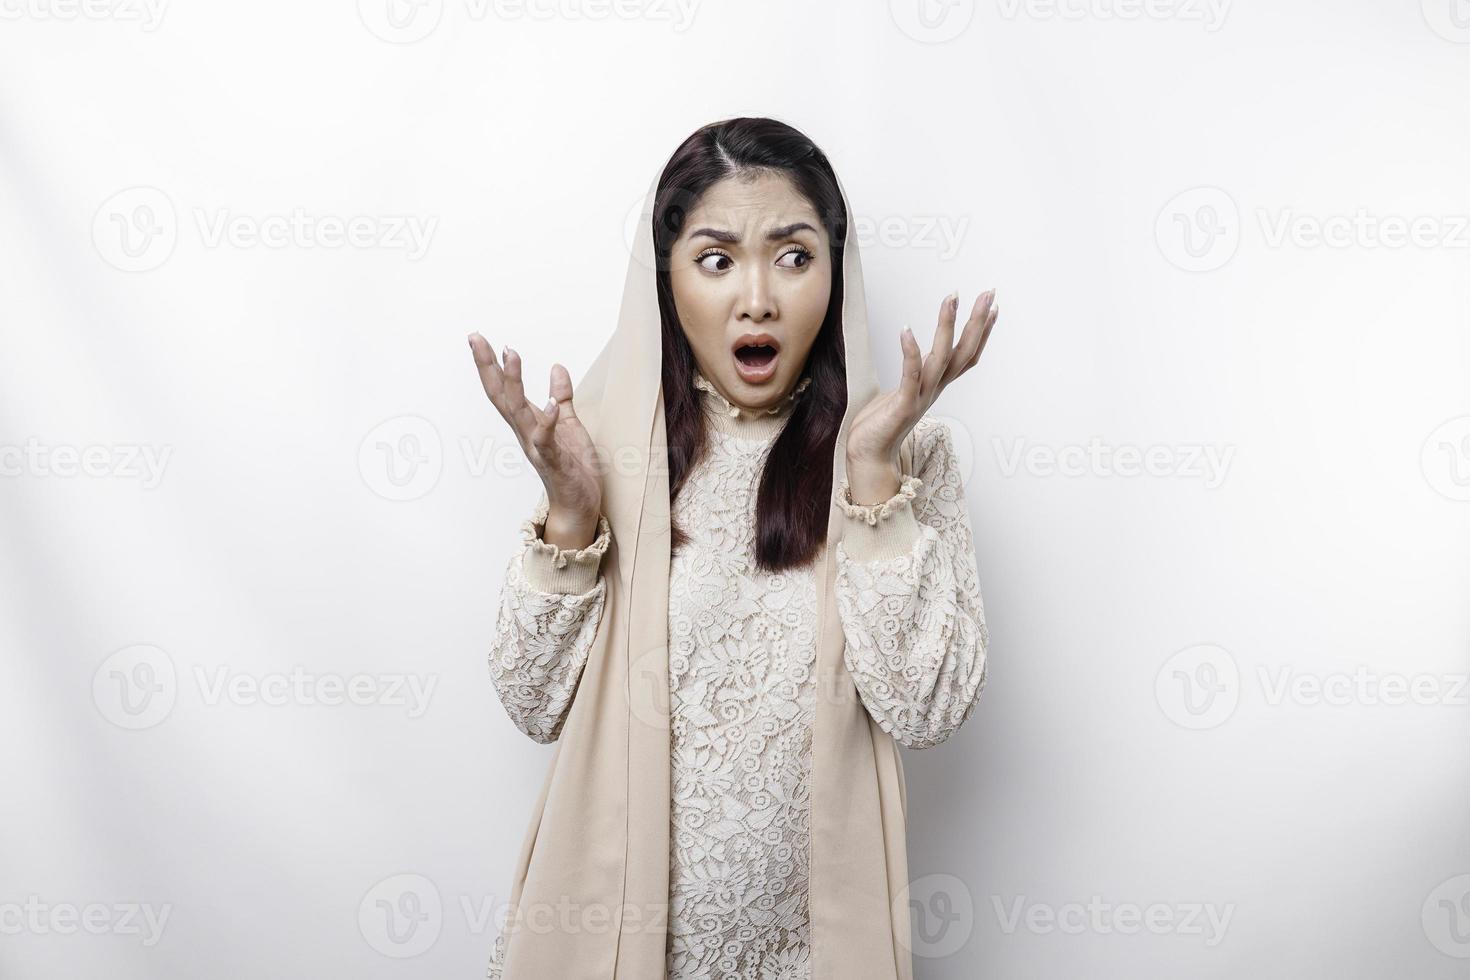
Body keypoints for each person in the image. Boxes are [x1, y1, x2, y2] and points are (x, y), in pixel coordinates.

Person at [468, 116, 999, 980]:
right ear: (666, 282)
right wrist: (570, 512)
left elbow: (928, 710)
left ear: (835, 271)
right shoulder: (604, 450)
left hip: (811, 953)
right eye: (717, 260)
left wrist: (868, 478)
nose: (757, 298)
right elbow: (532, 705)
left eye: (793, 256)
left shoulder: (903, 461)